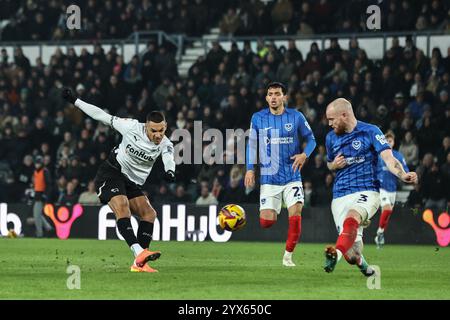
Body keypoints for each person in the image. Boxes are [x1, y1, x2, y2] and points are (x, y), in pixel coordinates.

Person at [62, 87, 176, 273]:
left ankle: (139, 264)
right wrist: (76, 101)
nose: (158, 135)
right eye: (154, 130)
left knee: (149, 214)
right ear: (145, 126)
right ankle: (139, 252)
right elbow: (101, 115)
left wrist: (170, 171)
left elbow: (169, 157)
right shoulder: (130, 126)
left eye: (162, 130)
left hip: (132, 182)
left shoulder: (165, 143)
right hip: (112, 172)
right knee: (122, 205)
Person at [323, 98, 417, 275]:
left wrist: (403, 174)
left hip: (367, 190)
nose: (330, 124)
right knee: (352, 254)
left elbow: (388, 158)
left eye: (332, 119)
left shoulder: (371, 131)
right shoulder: (330, 138)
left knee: (352, 218)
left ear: (344, 115)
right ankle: (362, 264)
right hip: (340, 194)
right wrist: (334, 165)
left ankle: (335, 253)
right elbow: (329, 164)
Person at [244, 82, 316, 267]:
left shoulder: (296, 116)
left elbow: (311, 139)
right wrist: (250, 168)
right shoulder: (258, 118)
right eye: (270, 94)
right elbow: (251, 145)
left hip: (292, 175)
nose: (274, 97)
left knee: (296, 212)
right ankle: (276, 209)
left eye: (277, 94)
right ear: (266, 97)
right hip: (269, 177)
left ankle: (288, 257)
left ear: (284, 96)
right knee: (266, 222)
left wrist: (304, 154)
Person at [374, 131, 409, 248]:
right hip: (381, 188)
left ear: (393, 143)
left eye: (390, 141)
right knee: (387, 209)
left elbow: (405, 171)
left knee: (387, 213)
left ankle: (380, 233)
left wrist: (408, 175)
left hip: (392, 189)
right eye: (386, 140)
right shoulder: (379, 155)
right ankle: (378, 233)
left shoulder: (398, 156)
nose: (388, 142)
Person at [32, 156, 53, 237]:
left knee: (36, 215)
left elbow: (48, 185)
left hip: (41, 195)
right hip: (37, 194)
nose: (37, 165)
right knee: (38, 214)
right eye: (36, 163)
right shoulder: (36, 172)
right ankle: (49, 228)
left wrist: (45, 195)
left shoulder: (44, 171)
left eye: (38, 163)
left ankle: (39, 233)